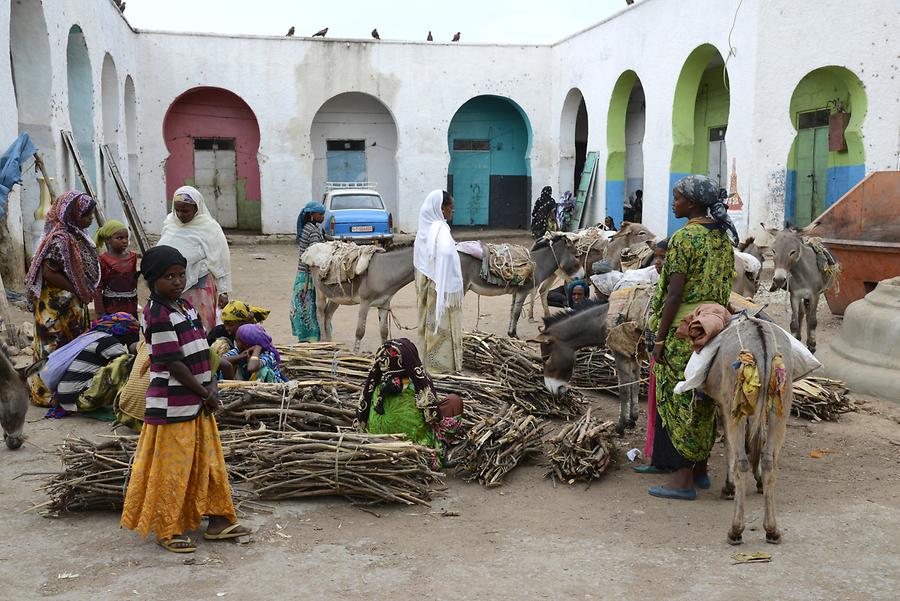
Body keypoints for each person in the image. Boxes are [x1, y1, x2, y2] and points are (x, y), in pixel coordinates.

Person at [121, 245, 249, 553]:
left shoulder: (185, 307)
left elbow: (202, 349)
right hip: (173, 406)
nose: (177, 281)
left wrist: (214, 382)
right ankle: (169, 528)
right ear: (152, 281)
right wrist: (205, 392)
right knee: (174, 469)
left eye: (181, 274)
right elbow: (173, 363)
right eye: (169, 277)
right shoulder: (157, 314)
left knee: (208, 462)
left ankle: (218, 520)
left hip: (198, 402)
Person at [647, 176, 736, 500]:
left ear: (693, 204)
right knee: (705, 398)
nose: (674, 202)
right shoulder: (723, 238)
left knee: (681, 399)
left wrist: (659, 340)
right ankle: (700, 472)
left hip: (684, 331)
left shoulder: (685, 238)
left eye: (678, 198)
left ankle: (683, 479)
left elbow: (673, 294)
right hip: (715, 328)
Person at [25, 191, 101, 406]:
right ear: (72, 215)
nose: (91, 219)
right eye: (87, 215)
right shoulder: (60, 239)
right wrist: (77, 289)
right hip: (55, 307)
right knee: (53, 347)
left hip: (69, 306)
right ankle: (46, 394)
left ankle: (70, 390)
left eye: (91, 214)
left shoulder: (76, 235)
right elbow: (49, 272)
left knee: (72, 346)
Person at [356, 338, 463, 466]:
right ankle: (441, 451)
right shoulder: (416, 386)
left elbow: (362, 417)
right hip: (416, 451)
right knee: (453, 402)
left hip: (378, 449)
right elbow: (434, 416)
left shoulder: (373, 387)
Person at [156, 186, 232, 333]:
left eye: (185, 211)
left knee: (200, 327)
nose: (180, 215)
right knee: (176, 327)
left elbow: (221, 260)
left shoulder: (209, 228)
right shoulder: (170, 224)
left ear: (197, 208)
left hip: (199, 287)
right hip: (171, 287)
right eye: (177, 210)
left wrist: (224, 291)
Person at [414, 190, 464, 374]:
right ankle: (441, 370)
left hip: (426, 284)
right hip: (440, 288)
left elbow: (423, 260)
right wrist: (445, 271)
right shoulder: (440, 229)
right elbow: (444, 252)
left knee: (426, 325)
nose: (452, 212)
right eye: (451, 208)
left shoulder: (423, 230)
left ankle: (425, 365)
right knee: (441, 327)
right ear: (441, 209)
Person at [51, 312, 139, 416]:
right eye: (133, 334)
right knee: (124, 363)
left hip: (66, 398)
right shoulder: (108, 341)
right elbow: (130, 366)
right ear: (125, 333)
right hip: (78, 400)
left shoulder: (93, 336)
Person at [634, 238, 669, 474]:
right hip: (657, 356)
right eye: (656, 257)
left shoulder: (673, 290)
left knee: (662, 408)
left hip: (666, 356)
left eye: (663, 258)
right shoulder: (662, 286)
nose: (658, 262)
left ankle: (662, 459)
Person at [290, 201, 326, 342]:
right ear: (312, 215)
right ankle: (313, 338)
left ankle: (305, 337)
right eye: (320, 214)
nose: (323, 217)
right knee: (311, 308)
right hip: (309, 277)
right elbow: (315, 255)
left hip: (302, 274)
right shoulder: (313, 231)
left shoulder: (307, 227)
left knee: (302, 308)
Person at [93, 220, 139, 319]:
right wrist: (99, 312)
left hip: (131, 309)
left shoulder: (133, 257)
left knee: (132, 332)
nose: (125, 241)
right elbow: (98, 287)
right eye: (119, 238)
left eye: (126, 237)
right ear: (108, 240)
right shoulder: (103, 260)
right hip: (111, 310)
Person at [221, 323, 287, 383]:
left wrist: (257, 349)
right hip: (246, 383)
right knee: (227, 365)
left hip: (269, 386)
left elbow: (251, 368)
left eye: (237, 340)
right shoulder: (239, 351)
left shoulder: (268, 355)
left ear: (246, 344)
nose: (235, 341)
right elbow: (221, 360)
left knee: (262, 370)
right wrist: (241, 356)